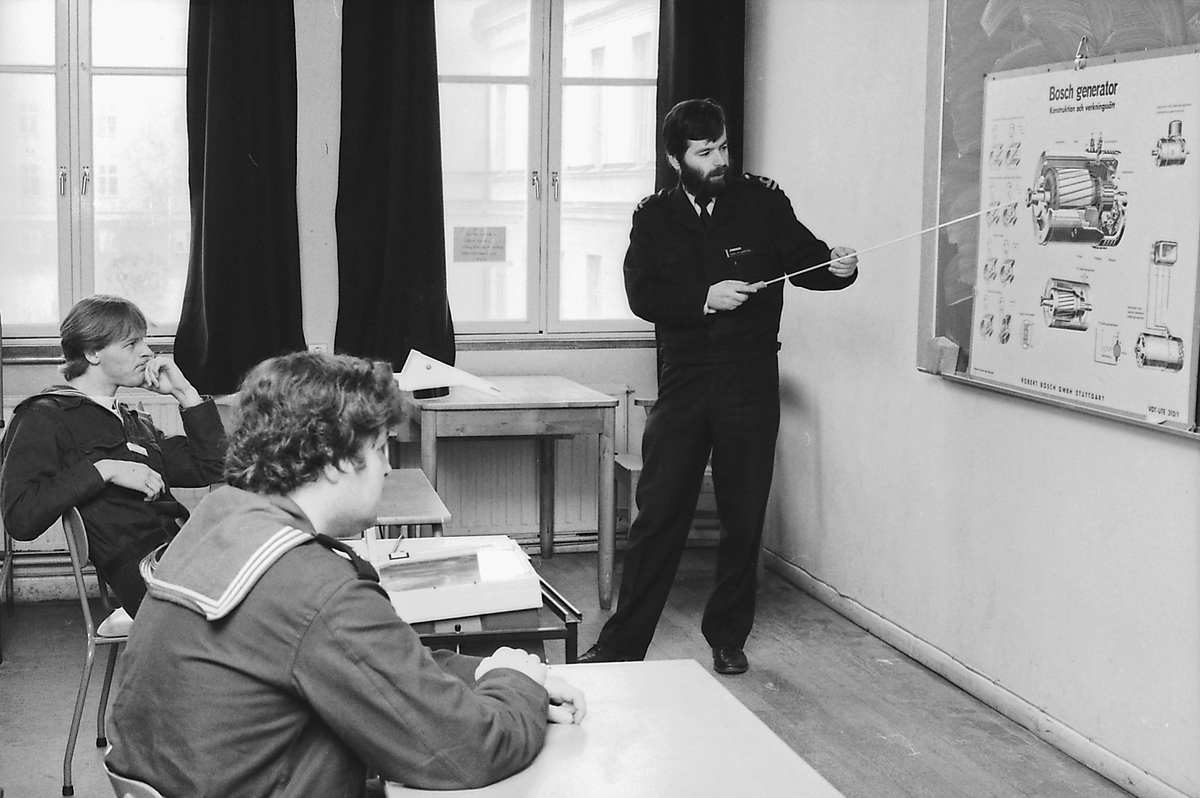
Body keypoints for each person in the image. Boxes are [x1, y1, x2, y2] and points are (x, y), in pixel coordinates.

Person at [105, 351, 586, 796]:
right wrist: (518, 683)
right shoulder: (315, 586)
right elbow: (467, 753)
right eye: (380, 449)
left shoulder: (219, 521)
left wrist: (482, 670)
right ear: (336, 462)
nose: (387, 469)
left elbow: (365, 662)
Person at [578, 98, 859, 675]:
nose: (719, 160)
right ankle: (621, 645)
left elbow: (809, 263)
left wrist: (840, 267)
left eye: (724, 147)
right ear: (675, 159)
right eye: (705, 152)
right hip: (684, 380)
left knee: (743, 514)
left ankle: (728, 637)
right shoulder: (653, 217)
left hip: (749, 379)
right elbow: (641, 295)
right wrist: (704, 298)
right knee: (658, 516)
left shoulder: (762, 202)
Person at [0, 295, 227, 616]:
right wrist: (103, 470)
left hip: (183, 549)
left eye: (144, 341)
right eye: (132, 344)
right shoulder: (43, 416)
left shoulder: (133, 420)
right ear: (92, 352)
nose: (147, 352)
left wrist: (185, 393)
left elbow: (214, 467)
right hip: (149, 574)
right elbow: (20, 519)